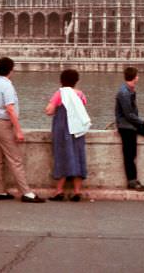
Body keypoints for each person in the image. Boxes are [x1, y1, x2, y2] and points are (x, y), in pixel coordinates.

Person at [0, 56, 45, 203]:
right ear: (10, 70)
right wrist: (18, 130)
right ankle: (26, 192)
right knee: (15, 159)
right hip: (3, 124)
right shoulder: (7, 85)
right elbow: (10, 109)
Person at [45, 69, 91, 201]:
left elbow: (49, 110)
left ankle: (59, 191)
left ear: (61, 80)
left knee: (62, 157)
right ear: (76, 81)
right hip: (77, 130)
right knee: (78, 156)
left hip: (62, 130)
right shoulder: (80, 94)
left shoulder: (60, 93)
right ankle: (77, 191)